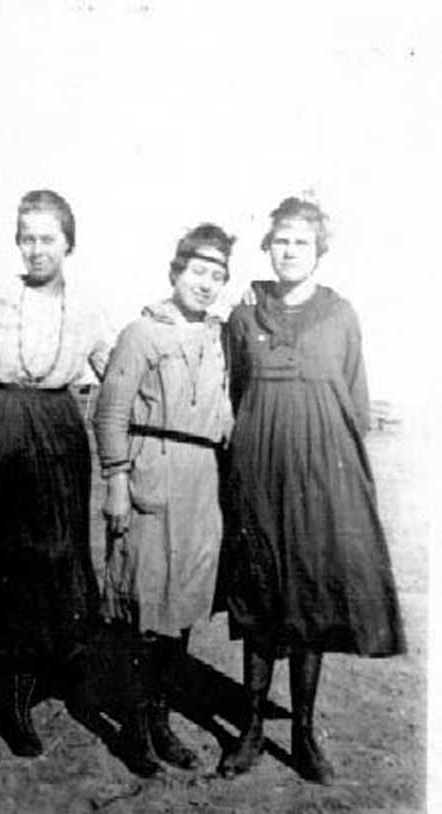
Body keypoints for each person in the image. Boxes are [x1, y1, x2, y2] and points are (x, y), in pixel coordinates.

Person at [215, 196, 405, 784]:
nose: (290, 251)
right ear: (267, 248)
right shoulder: (244, 315)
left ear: (319, 251)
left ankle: (303, 735)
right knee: (259, 594)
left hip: (320, 480)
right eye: (281, 241)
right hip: (257, 474)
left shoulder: (341, 315)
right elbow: (234, 391)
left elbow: (356, 403)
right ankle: (249, 731)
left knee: (311, 599)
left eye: (301, 242)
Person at [0, 189, 113, 756]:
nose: (36, 250)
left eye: (48, 239)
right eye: (27, 238)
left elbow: (117, 370)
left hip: (56, 440)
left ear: (69, 244)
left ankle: (19, 706)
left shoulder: (87, 311)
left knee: (45, 569)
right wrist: (1, 407)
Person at [93, 224, 235, 775]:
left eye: (217, 275)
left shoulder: (218, 339)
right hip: (152, 470)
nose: (206, 283)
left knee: (183, 607)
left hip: (202, 481)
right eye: (197, 271)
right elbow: (111, 411)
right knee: (144, 605)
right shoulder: (142, 333)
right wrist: (116, 481)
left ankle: (159, 721)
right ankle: (132, 729)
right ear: (175, 272)